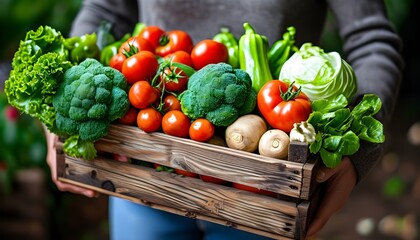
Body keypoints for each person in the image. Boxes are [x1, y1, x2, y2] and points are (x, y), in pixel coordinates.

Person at [45, 0, 404, 239]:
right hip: (143, 162)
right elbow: (102, 11)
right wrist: (63, 101)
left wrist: (360, 153)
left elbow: (373, 40)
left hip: (265, 185)